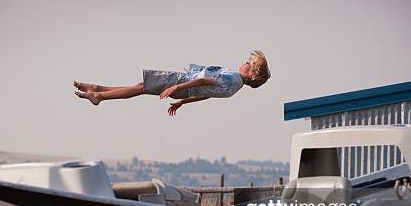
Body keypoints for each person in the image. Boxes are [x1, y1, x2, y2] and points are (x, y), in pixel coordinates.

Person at [73, 50, 271, 116]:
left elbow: (203, 80)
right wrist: (182, 101)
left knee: (141, 87)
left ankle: (98, 96)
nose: (244, 62)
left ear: (252, 74)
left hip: (182, 81)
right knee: (140, 86)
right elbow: (207, 94)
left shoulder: (232, 78)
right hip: (185, 91)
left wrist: (176, 86)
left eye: (249, 63)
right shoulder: (234, 88)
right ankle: (97, 89)